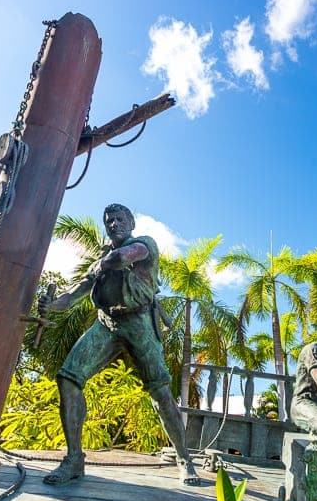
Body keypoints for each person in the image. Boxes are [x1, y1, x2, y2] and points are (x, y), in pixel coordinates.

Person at [40, 203, 199, 486]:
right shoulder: (100, 261)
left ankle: (185, 459)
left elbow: (122, 258)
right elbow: (73, 295)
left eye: (119, 219)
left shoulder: (143, 244)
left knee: (160, 391)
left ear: (131, 222)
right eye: (109, 220)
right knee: (68, 378)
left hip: (139, 323)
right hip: (106, 323)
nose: (114, 223)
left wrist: (102, 263)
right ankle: (74, 458)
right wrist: (52, 305)